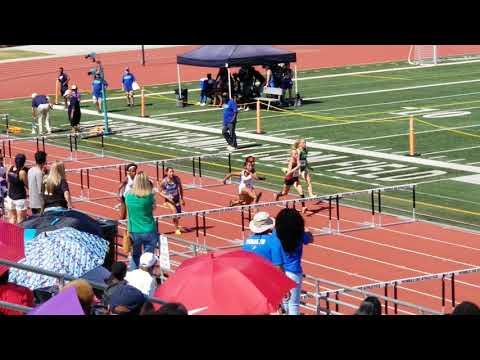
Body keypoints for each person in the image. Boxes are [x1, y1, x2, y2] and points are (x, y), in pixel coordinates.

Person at [274, 208, 313, 315]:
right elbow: (310, 238)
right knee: (294, 304)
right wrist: (304, 228)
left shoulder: (276, 234)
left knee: (285, 302)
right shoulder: (299, 234)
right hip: (294, 272)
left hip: (279, 271)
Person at [125, 171, 158, 269]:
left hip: (134, 230)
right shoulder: (150, 196)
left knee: (135, 256)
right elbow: (153, 208)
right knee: (149, 258)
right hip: (149, 230)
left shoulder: (128, 196)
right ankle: (148, 277)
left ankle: (133, 279)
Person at [274, 145, 307, 213]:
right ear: (292, 155)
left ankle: (303, 207)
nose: (296, 154)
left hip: (295, 178)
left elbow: (299, 169)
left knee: (301, 192)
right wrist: (296, 167)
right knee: (284, 193)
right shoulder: (291, 161)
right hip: (289, 178)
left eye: (297, 153)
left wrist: (298, 175)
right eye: (295, 154)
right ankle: (277, 195)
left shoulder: (298, 159)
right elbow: (289, 173)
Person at [159, 167, 185, 236]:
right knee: (174, 213)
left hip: (176, 199)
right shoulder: (164, 181)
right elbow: (160, 192)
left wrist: (182, 199)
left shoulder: (176, 179)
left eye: (173, 171)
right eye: (170, 172)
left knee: (178, 215)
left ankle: (176, 221)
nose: (172, 173)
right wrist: (167, 197)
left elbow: (181, 188)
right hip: (169, 200)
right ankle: (176, 229)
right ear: (166, 172)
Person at [5, 154, 28, 224]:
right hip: (20, 198)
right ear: (23, 162)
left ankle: (11, 234)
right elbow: (27, 185)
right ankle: (18, 234)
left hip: (10, 197)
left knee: (12, 218)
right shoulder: (22, 172)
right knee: (21, 220)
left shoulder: (10, 168)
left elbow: (7, 180)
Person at [28, 151, 47, 215]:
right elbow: (40, 190)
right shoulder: (39, 173)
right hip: (38, 204)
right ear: (44, 161)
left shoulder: (30, 170)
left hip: (32, 201)